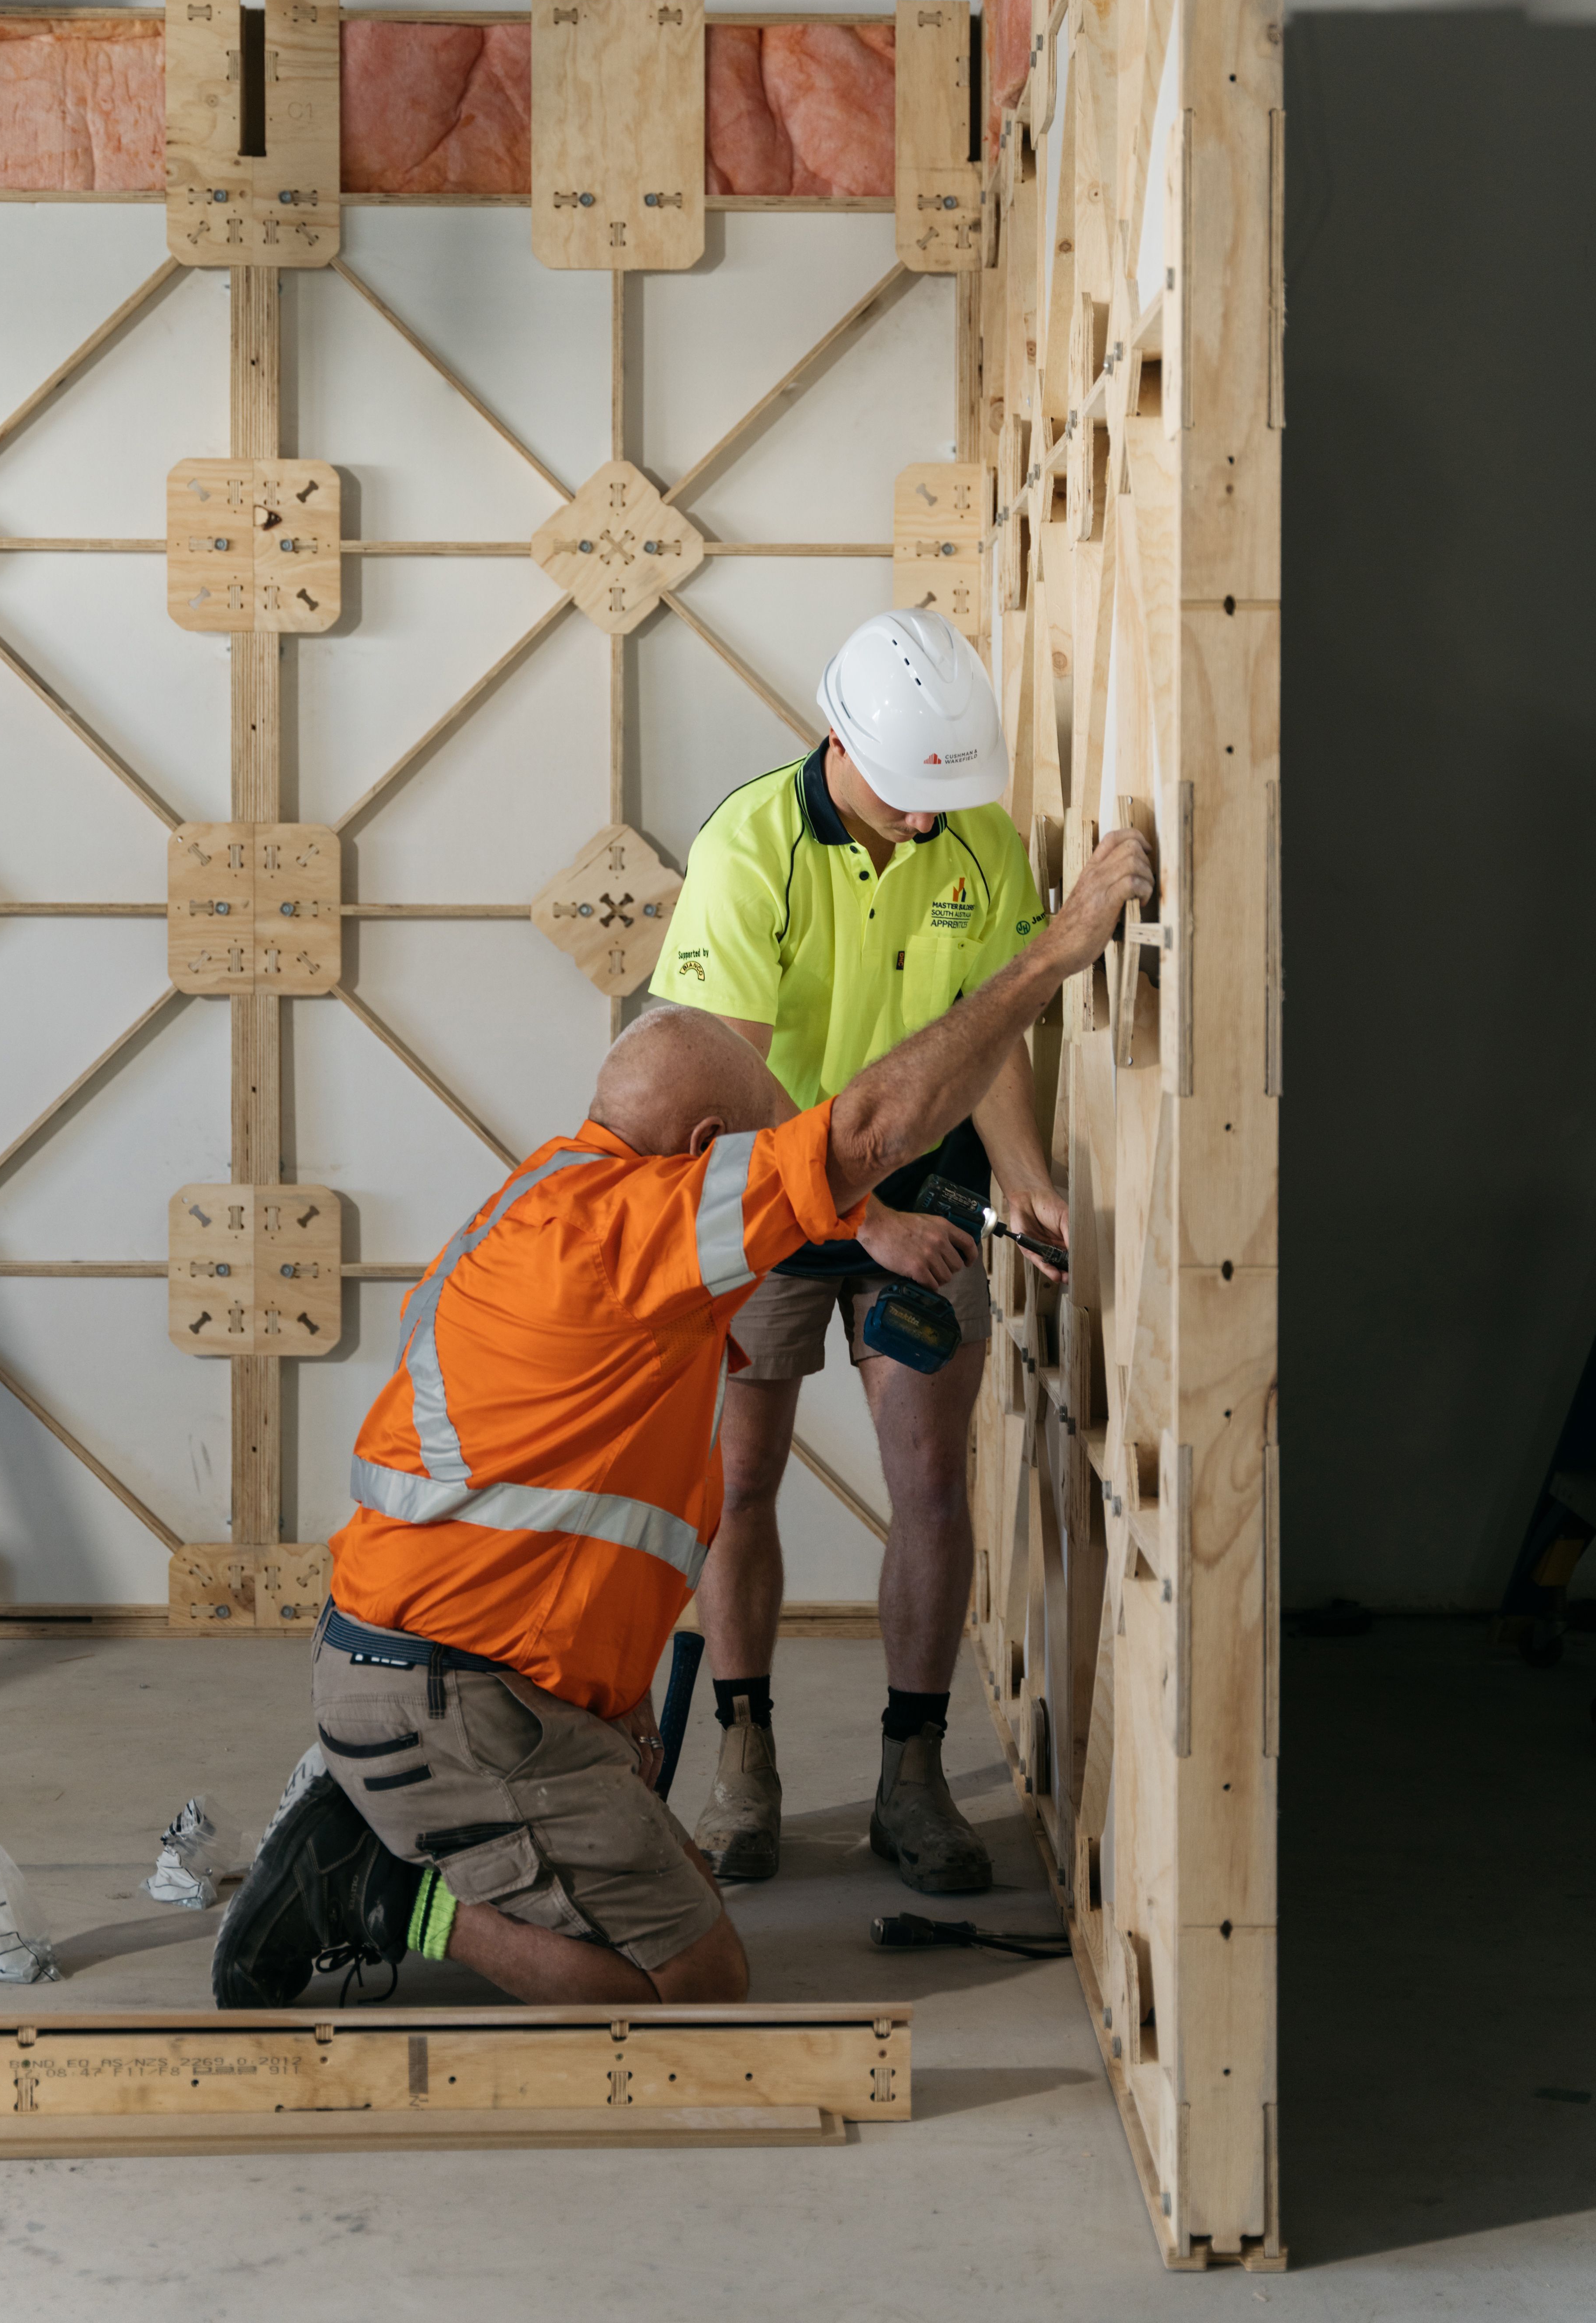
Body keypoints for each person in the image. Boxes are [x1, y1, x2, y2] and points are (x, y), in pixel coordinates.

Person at [213, 824, 1153, 2009]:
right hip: (459, 1703)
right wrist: (1053, 955)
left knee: (666, 1883)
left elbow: (553, 1525)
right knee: (696, 1983)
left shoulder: (551, 1194)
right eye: (760, 1144)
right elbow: (867, 1131)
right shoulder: (642, 1230)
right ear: (706, 1153)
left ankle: (401, 1814)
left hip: (442, 1673)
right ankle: (384, 1893)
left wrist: (607, 1715)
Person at [646, 608, 1067, 1893]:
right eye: (910, 796)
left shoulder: (974, 841)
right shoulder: (752, 845)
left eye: (952, 798)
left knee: (931, 1484)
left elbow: (985, 1037)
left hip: (927, 1191)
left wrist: (1033, 1187)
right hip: (769, 1186)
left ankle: (913, 1775)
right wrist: (853, 1214)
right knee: (742, 1484)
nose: (933, 823)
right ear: (842, 740)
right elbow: (731, 1073)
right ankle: (745, 1762)